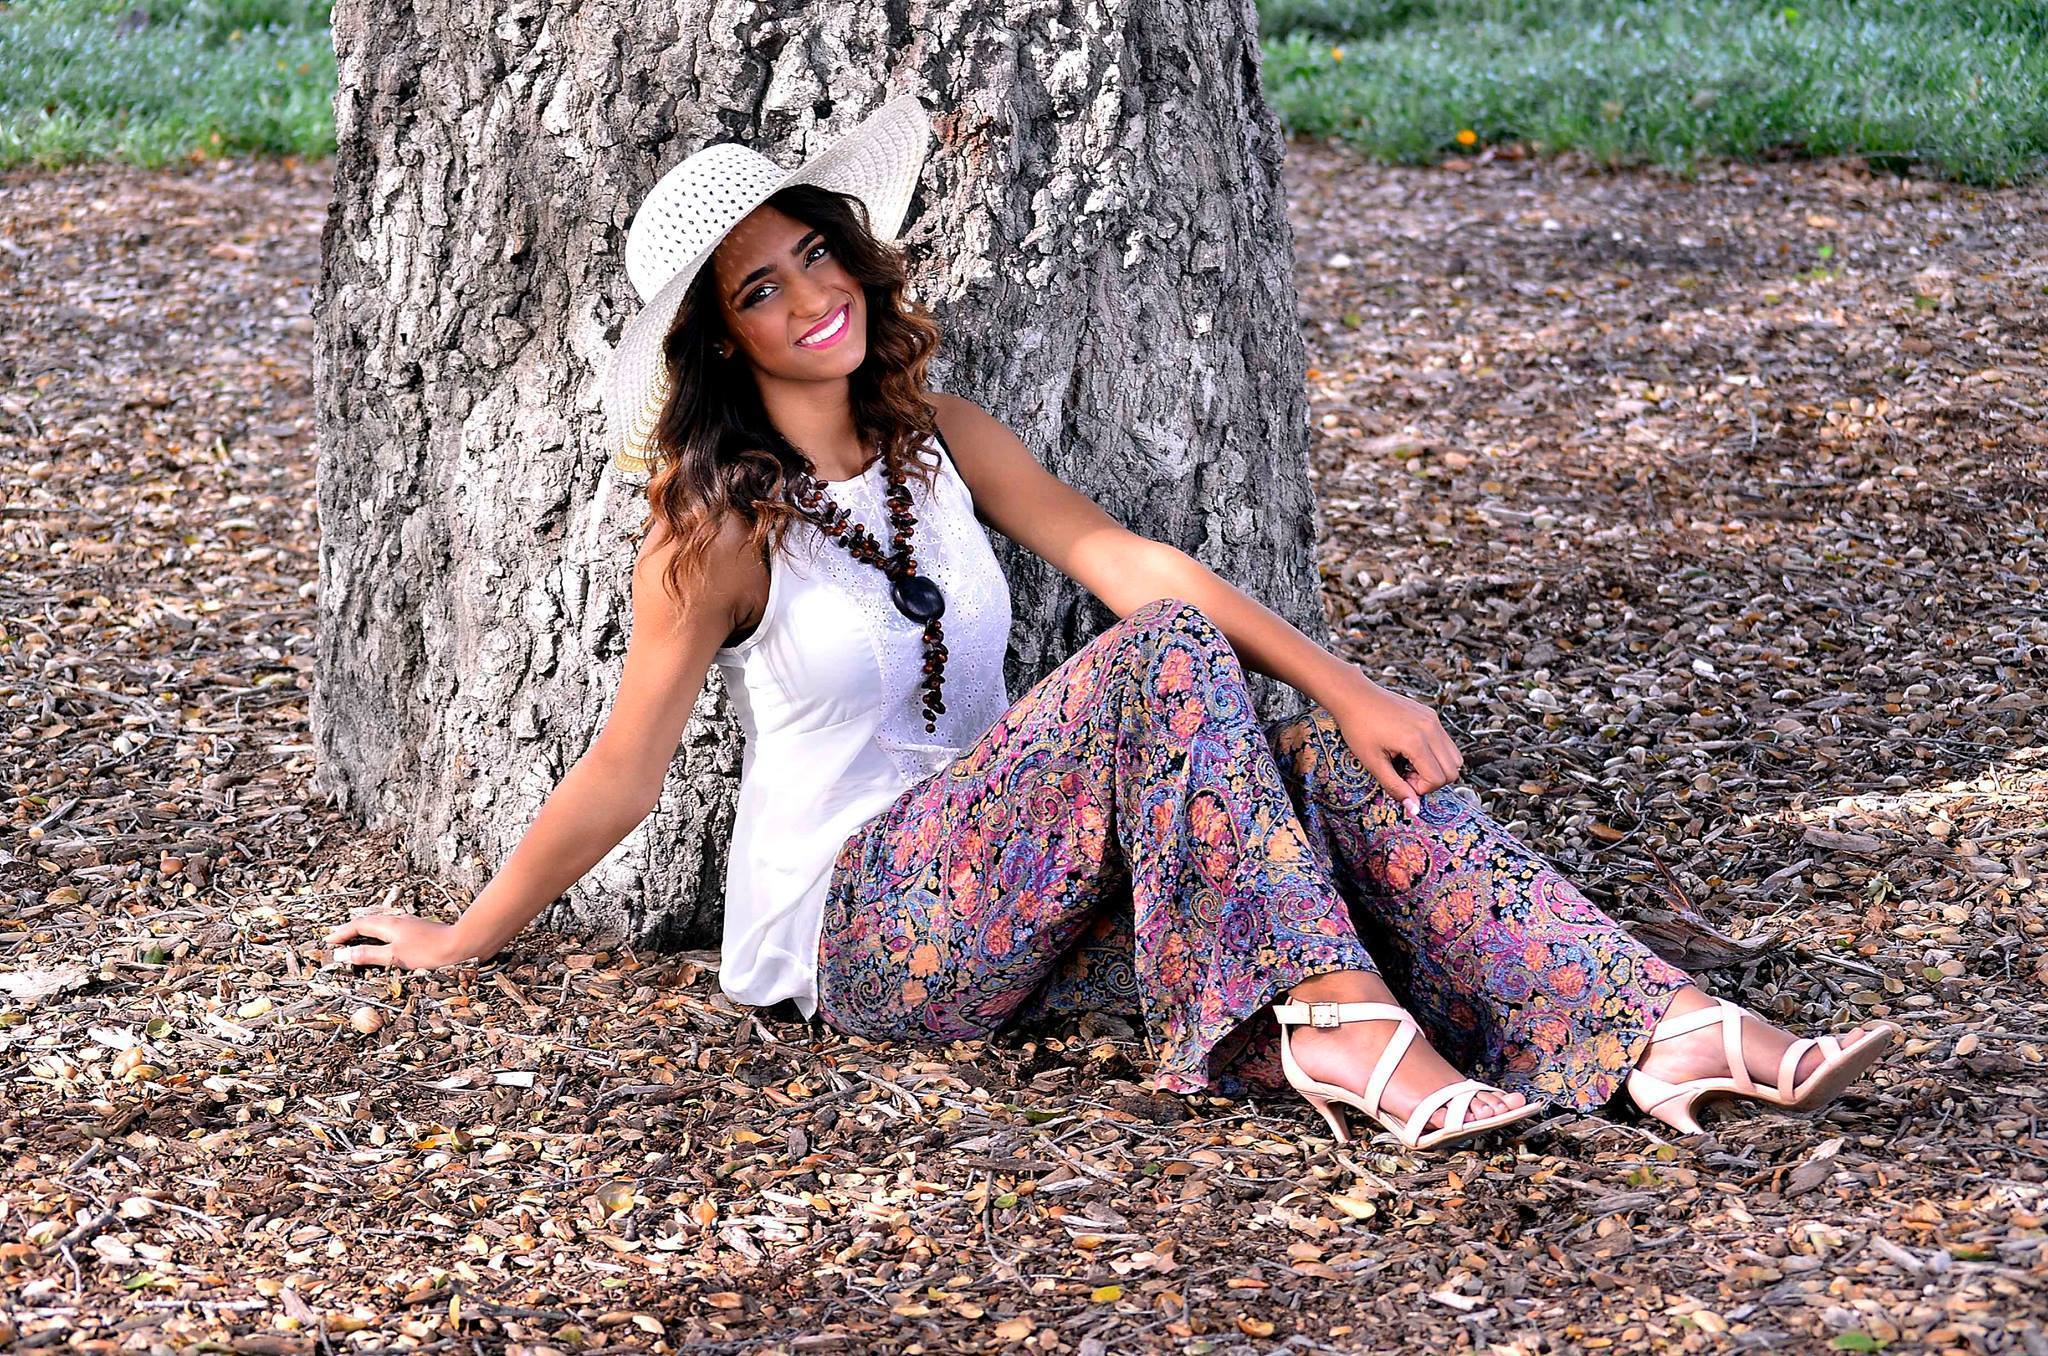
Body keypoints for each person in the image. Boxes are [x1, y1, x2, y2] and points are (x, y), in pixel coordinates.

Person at [327, 91, 1898, 1151]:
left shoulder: (944, 442)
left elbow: (1134, 561)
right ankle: (1342, 1030)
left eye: (814, 252)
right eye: (759, 289)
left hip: (1031, 897)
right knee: (1157, 668)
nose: (810, 295)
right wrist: (463, 938)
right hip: (870, 938)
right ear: (721, 343)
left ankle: (1668, 1032)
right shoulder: (714, 534)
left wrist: (1350, 690)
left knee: (1324, 772)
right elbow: (623, 771)